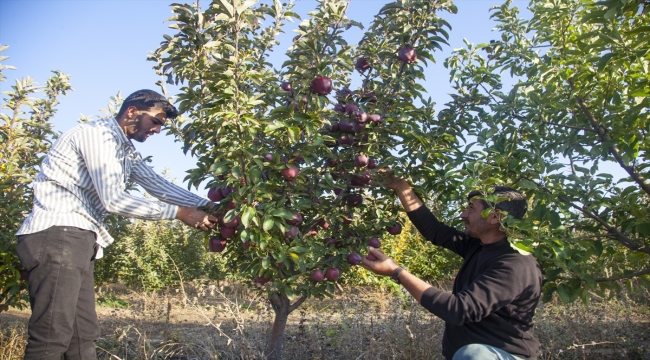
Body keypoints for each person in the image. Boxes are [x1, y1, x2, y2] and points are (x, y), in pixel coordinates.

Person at [15, 89, 218, 360]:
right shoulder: (97, 136)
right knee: (51, 337)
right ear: (132, 111)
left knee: (82, 337)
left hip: (78, 239)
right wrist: (179, 213)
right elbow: (114, 199)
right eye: (156, 121)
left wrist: (211, 207)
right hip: (58, 234)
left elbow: (157, 184)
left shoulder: (123, 149)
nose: (158, 129)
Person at [363, 173, 542, 360]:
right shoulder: (479, 246)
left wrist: (397, 272)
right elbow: (435, 231)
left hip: (504, 355)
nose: (463, 214)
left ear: (495, 217)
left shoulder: (515, 264)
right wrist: (401, 187)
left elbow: (458, 310)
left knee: (473, 354)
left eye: (471, 209)